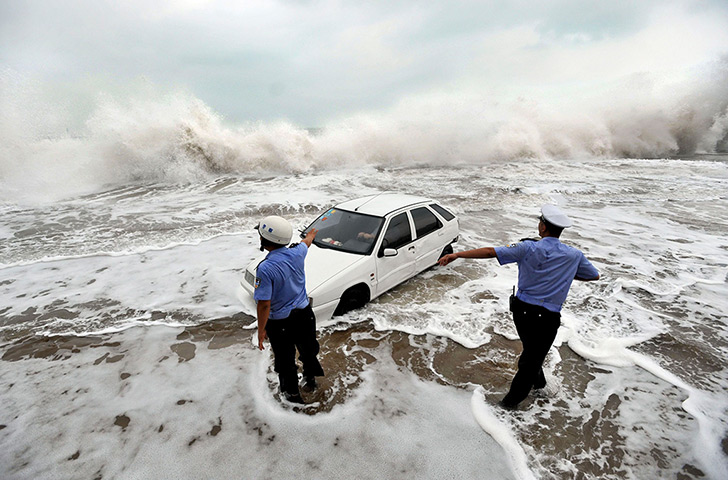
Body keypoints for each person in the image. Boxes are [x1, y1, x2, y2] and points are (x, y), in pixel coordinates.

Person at [438, 204, 600, 409]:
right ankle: (518, 399)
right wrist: (565, 273)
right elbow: (594, 275)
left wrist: (458, 255)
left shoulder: (528, 247)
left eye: (540, 222)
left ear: (542, 228)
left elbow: (490, 252)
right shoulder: (573, 255)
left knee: (531, 355)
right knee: (531, 358)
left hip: (522, 313)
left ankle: (514, 401)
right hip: (548, 318)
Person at [253, 215, 324, 404]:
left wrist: (261, 331)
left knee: (285, 361)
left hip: (280, 323)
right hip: (305, 316)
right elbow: (306, 242)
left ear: (263, 241)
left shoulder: (265, 269)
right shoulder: (298, 252)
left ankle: (292, 395)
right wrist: (312, 233)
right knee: (308, 350)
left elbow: (264, 304)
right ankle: (310, 380)